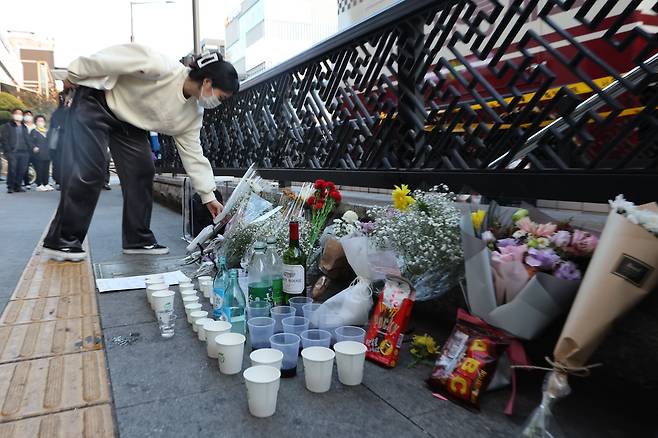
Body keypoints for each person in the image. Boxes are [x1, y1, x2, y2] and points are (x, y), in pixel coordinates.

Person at [43, 44, 236, 261]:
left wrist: (208, 195)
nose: (217, 104)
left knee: (142, 171)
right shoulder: (162, 67)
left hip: (130, 122)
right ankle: (62, 240)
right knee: (91, 171)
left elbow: (193, 154)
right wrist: (76, 73)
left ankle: (137, 238)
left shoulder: (192, 114)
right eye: (221, 98)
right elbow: (114, 58)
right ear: (208, 82)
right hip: (97, 102)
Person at [0, 108, 31, 193]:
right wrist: (7, 150)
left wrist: (31, 148)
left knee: (22, 170)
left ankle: (18, 186)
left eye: (20, 113)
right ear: (13, 115)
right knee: (12, 169)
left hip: (24, 152)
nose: (19, 115)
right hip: (12, 151)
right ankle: (10, 186)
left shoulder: (24, 127)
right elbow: (4, 139)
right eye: (17, 113)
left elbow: (27, 139)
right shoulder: (7, 126)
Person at [30, 115, 54, 191]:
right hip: (38, 153)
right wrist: (33, 147)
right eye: (39, 120)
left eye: (42, 121)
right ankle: (39, 184)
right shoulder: (34, 131)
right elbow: (30, 141)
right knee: (39, 169)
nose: (41, 122)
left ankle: (46, 183)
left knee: (46, 170)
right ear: (36, 122)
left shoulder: (47, 131)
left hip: (47, 153)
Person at [22, 110, 36, 188]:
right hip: (25, 149)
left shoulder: (35, 126)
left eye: (29, 115)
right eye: (26, 115)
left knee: (38, 165)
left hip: (35, 149)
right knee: (25, 166)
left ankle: (41, 182)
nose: (28, 116)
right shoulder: (22, 126)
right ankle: (27, 182)